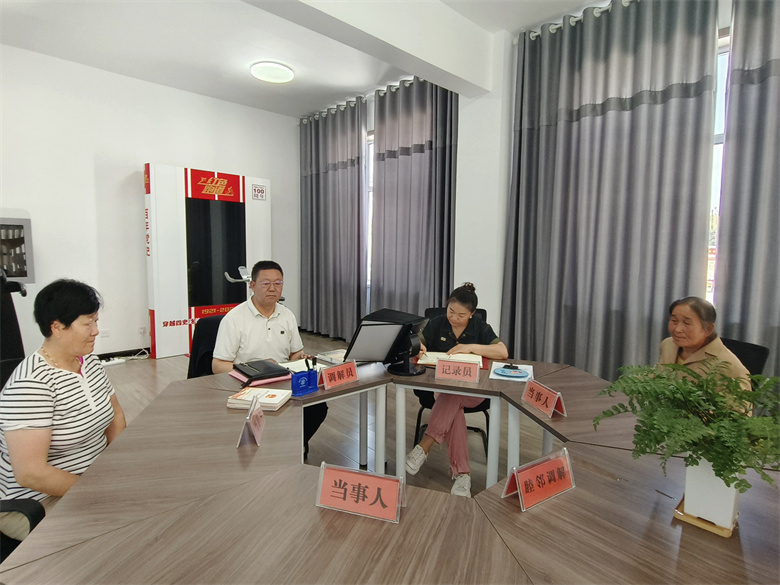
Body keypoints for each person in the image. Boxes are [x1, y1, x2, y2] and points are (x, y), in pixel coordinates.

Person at [0, 279, 126, 540]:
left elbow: (116, 415)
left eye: (96, 321)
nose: (96, 331)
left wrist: (116, 468)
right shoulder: (31, 384)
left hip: (91, 482)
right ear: (57, 327)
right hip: (38, 500)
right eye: (87, 323)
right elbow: (31, 474)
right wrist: (96, 490)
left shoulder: (89, 362)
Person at [211, 260, 327, 457]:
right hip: (249, 386)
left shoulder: (287, 315)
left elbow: (295, 354)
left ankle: (295, 445)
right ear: (252, 285)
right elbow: (218, 365)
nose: (273, 288)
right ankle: (271, 451)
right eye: (266, 283)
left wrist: (301, 358)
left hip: (284, 382)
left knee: (318, 407)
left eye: (278, 283)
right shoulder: (234, 319)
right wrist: (256, 371)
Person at [405, 283, 508, 497]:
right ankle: (462, 475)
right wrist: (418, 347)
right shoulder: (437, 323)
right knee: (453, 405)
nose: (454, 318)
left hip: (473, 392)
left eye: (461, 315)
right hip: (441, 389)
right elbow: (416, 342)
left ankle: (425, 445)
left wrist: (471, 347)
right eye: (451, 311)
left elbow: (502, 352)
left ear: (471, 314)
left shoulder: (480, 327)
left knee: (452, 398)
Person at [659, 296, 750, 392]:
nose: (677, 329)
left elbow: (741, 401)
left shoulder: (730, 367)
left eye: (687, 323)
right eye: (674, 321)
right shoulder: (668, 345)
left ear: (708, 329)